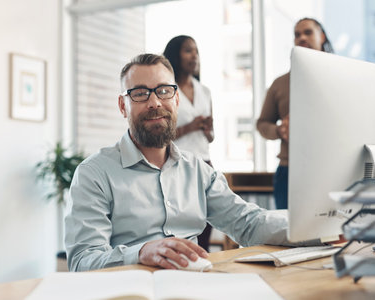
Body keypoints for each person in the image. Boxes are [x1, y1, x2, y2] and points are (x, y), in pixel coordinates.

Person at [65, 53, 318, 272]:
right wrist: (141, 253)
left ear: (176, 100)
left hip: (193, 287)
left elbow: (249, 224)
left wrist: (320, 227)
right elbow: (83, 260)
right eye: (140, 94)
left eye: (164, 91)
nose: (155, 102)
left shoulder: (198, 171)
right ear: (123, 106)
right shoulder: (93, 174)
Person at [256, 18, 334, 209]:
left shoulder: (340, 78)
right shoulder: (279, 84)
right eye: (297, 34)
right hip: (289, 171)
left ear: (321, 36)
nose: (301, 38)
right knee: (288, 235)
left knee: (331, 236)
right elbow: (262, 123)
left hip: (330, 168)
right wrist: (279, 130)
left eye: (308, 32)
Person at [163, 35, 214, 251]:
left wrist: (207, 128)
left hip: (204, 162)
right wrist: (189, 127)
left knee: (208, 220)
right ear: (175, 55)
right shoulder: (165, 90)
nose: (194, 56)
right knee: (183, 223)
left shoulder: (204, 91)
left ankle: (202, 264)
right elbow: (160, 134)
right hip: (177, 163)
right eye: (187, 50)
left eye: (196, 51)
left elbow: (211, 137)